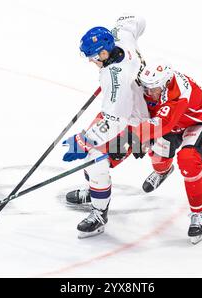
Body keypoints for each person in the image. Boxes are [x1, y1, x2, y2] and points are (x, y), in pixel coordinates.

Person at [62, 14, 149, 238]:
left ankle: (99, 215)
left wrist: (84, 140)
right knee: (86, 150)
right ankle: (95, 190)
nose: (92, 62)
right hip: (121, 112)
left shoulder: (115, 81)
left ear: (104, 53)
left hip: (137, 127)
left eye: (93, 57)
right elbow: (136, 20)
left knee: (94, 157)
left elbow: (114, 122)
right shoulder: (122, 37)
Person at [132, 60, 202, 244]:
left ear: (165, 84)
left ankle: (199, 213)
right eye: (146, 88)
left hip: (201, 122)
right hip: (175, 120)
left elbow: (162, 124)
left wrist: (132, 141)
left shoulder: (178, 93)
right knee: (158, 154)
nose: (149, 93)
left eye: (153, 88)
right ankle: (162, 171)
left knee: (188, 160)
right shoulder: (154, 89)